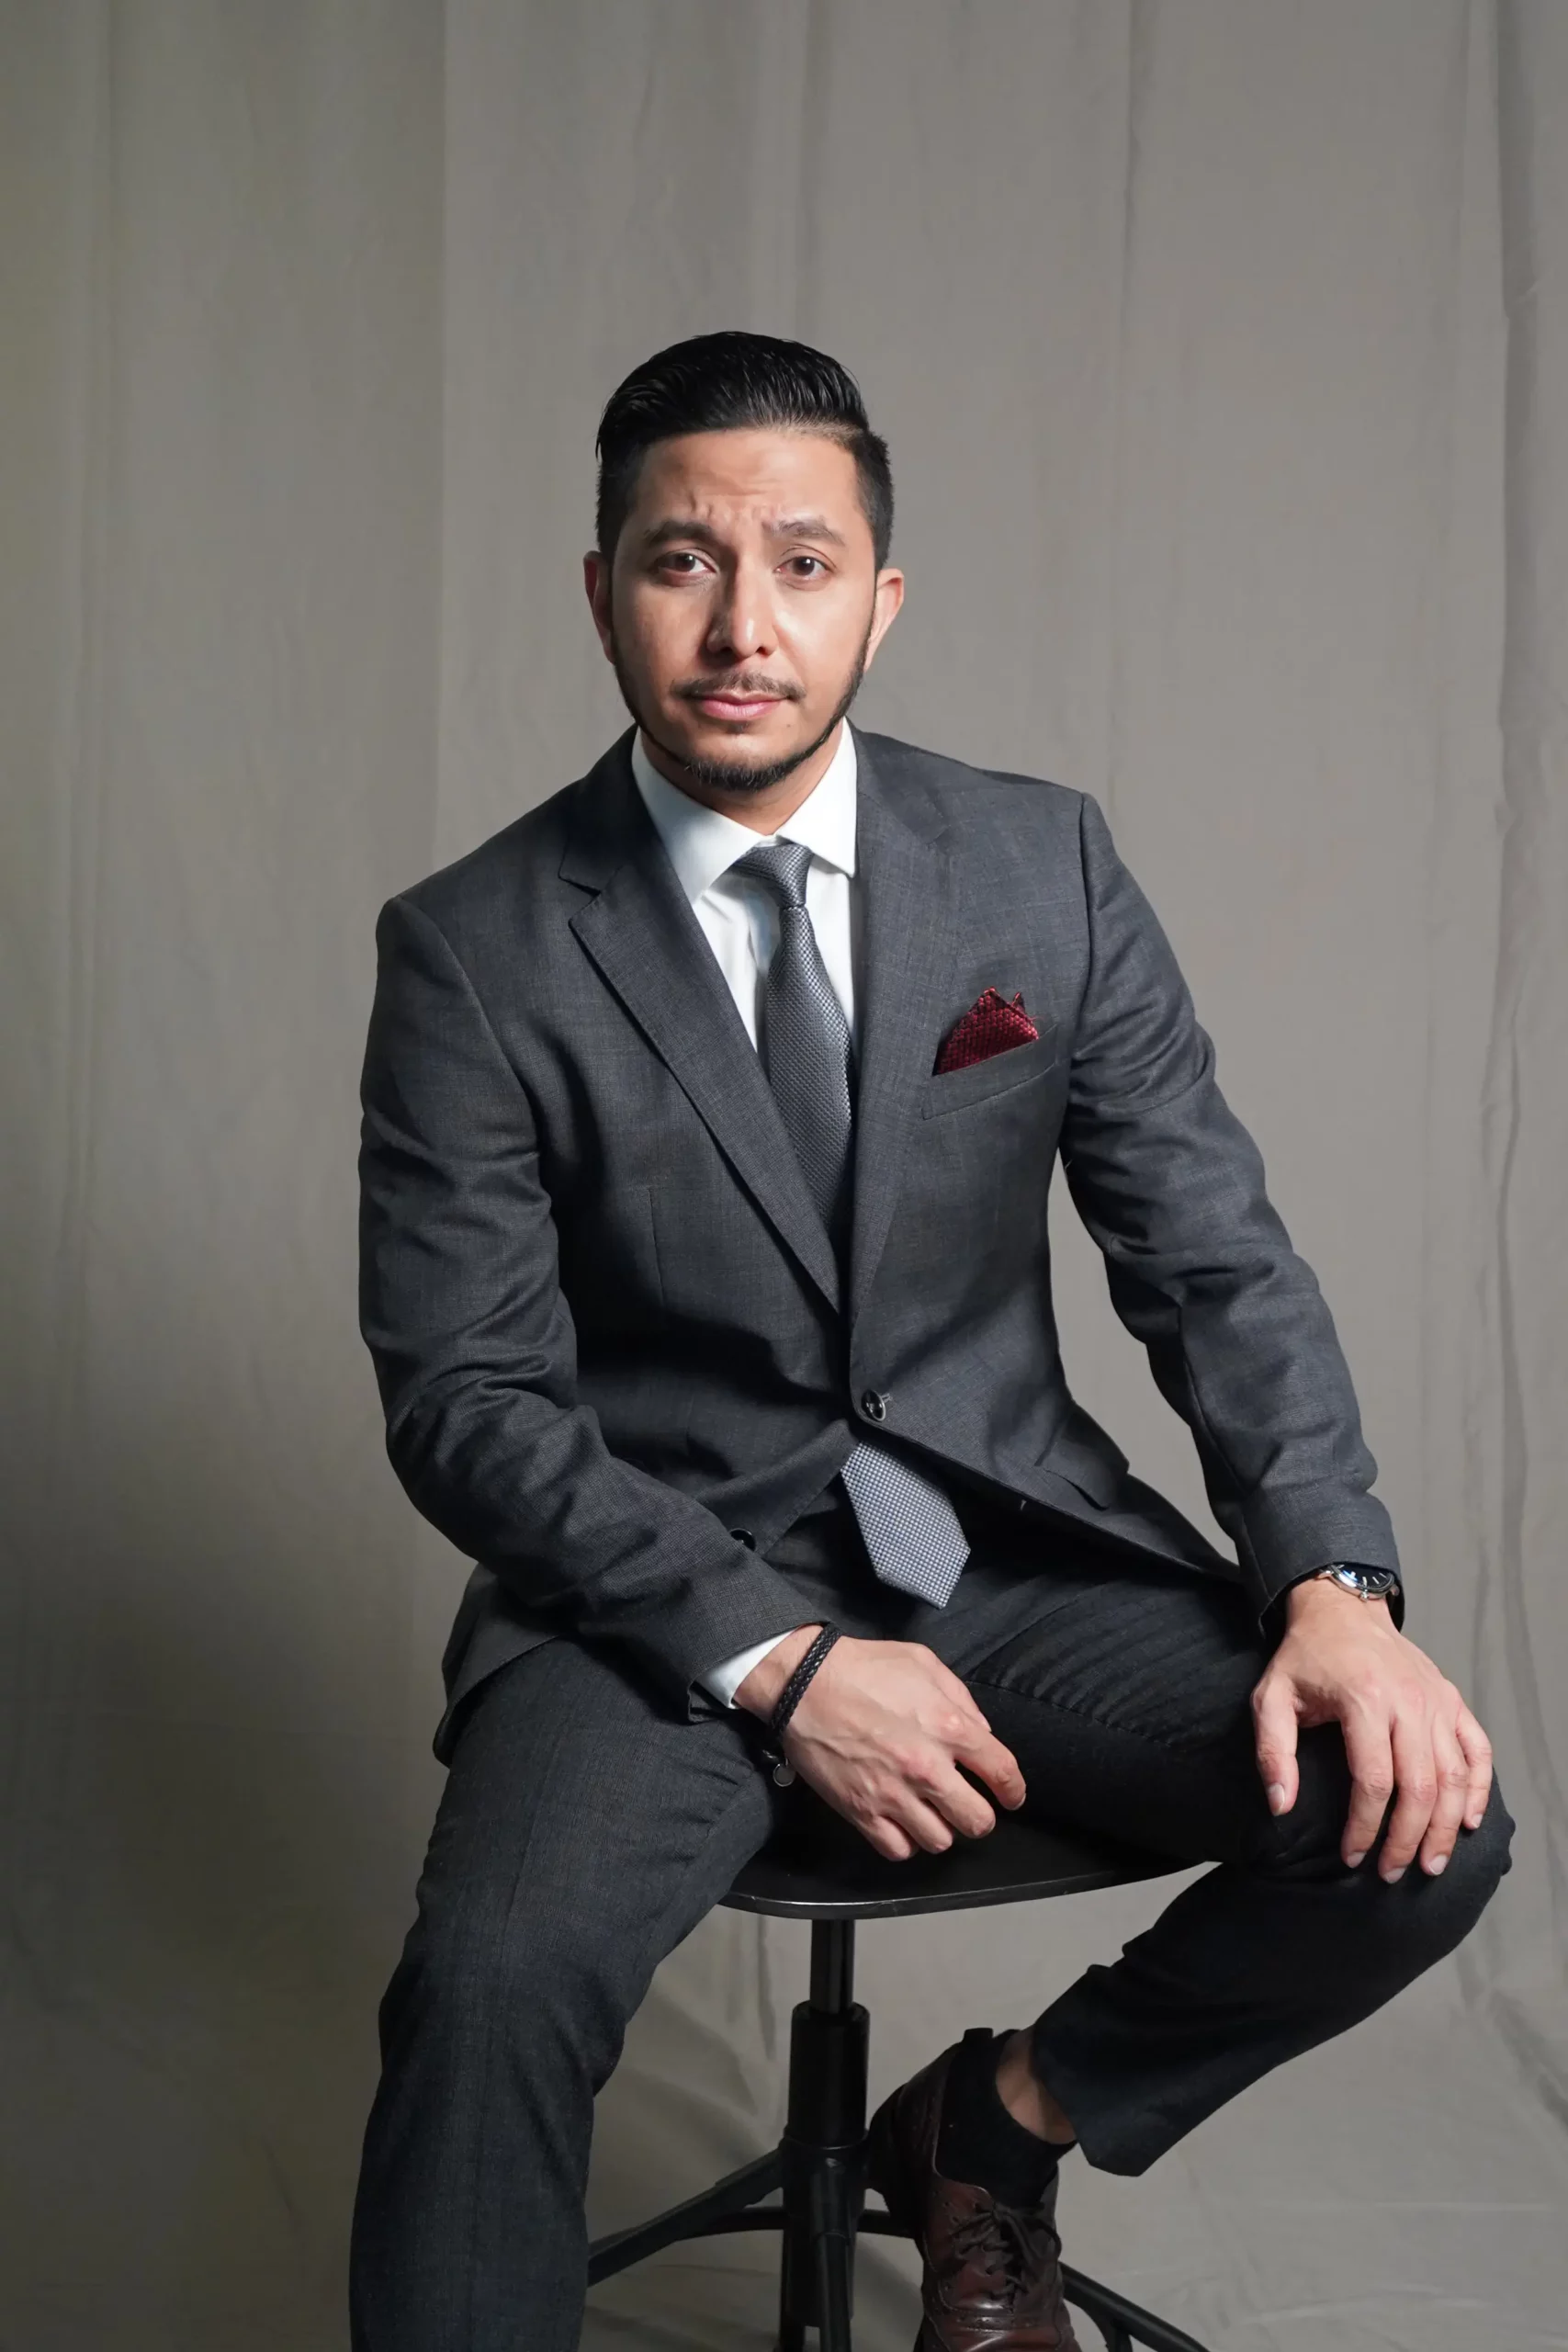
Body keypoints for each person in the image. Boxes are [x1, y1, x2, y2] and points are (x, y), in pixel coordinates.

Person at [348, 330, 1512, 2351]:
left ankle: (991, 2127)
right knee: (486, 1987)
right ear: (603, 590)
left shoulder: (1038, 865)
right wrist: (776, 1657)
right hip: (650, 1595)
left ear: (878, 599)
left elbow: (1211, 1255)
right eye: (682, 560)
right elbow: (469, 1401)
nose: (743, 624)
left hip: (995, 1555)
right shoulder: (475, 945)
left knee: (1417, 1816)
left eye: (801, 564)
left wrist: (1332, 1582)